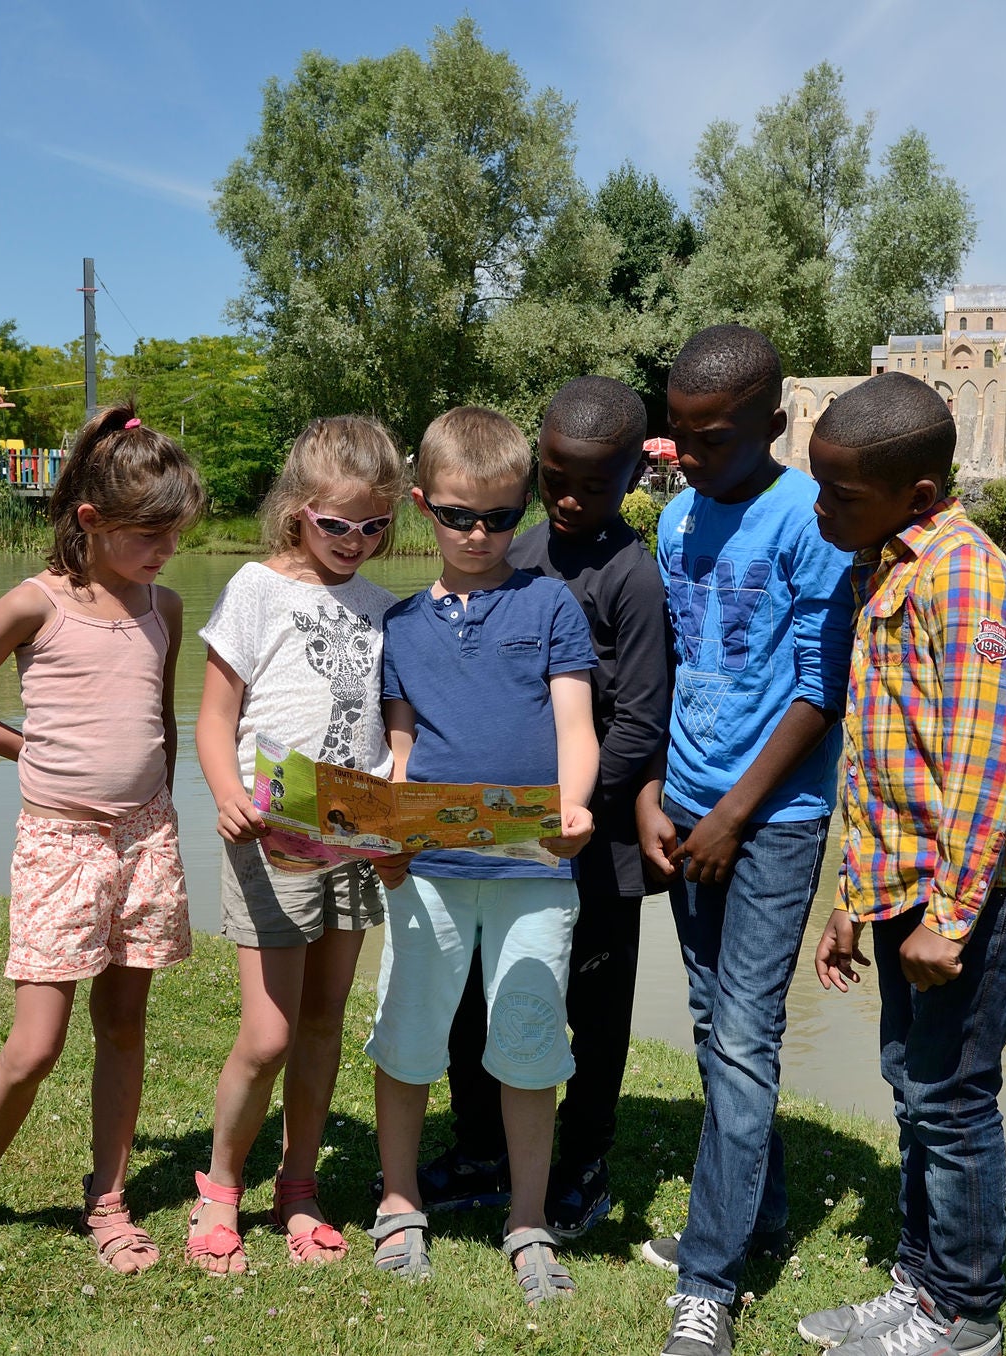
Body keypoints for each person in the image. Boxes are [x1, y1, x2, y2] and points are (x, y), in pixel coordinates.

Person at [799, 373, 1006, 1356]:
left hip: (993, 883)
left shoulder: (965, 579)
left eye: (838, 495)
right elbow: (886, 765)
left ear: (917, 495)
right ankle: (918, 1282)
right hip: (917, 881)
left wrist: (950, 918)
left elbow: (979, 774)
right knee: (911, 1080)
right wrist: (853, 899)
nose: (819, 509)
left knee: (953, 1092)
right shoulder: (885, 563)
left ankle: (965, 1316)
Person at [0, 404, 203, 1272]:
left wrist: (160, 809)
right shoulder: (37, 602)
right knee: (36, 1045)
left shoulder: (163, 607)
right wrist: (27, 746)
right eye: (150, 536)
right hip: (60, 841)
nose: (163, 554)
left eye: (174, 537)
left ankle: (107, 1199)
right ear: (91, 521)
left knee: (126, 1026)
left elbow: (159, 727)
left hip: (145, 839)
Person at [637, 324, 857, 1356]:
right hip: (684, 809)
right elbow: (676, 669)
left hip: (770, 823)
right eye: (676, 434)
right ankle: (754, 1213)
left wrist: (731, 814)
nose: (687, 454)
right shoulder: (674, 520)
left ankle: (707, 1279)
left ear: (773, 425)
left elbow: (821, 691)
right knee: (705, 1018)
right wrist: (657, 794)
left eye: (711, 437)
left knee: (743, 1036)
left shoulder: (808, 527)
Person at [419, 377, 671, 1237]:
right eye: (555, 477)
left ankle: (584, 1158)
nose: (569, 497)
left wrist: (567, 809)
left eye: (593, 484)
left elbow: (639, 720)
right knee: (475, 997)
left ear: (634, 474)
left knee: (592, 1012)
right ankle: (482, 1144)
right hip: (490, 843)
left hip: (587, 842)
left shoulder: (630, 577)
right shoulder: (511, 551)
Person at [366, 405, 600, 1305]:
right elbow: (400, 752)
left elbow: (576, 724)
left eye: (500, 517)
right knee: (411, 1033)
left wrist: (574, 805)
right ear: (423, 505)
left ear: (524, 508)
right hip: (427, 867)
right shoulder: (398, 623)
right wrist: (381, 825)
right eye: (458, 514)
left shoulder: (549, 604)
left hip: (535, 864)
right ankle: (398, 1201)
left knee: (533, 1039)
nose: (477, 533)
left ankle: (529, 1218)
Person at [189, 415, 409, 1275]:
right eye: (337, 524)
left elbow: (397, 719)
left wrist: (399, 780)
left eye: (375, 526)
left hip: (351, 832)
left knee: (324, 1024)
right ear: (297, 512)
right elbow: (215, 716)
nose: (356, 541)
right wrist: (228, 794)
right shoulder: (253, 589)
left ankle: (300, 1185)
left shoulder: (386, 606)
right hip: (272, 830)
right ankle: (219, 1188)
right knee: (269, 1034)